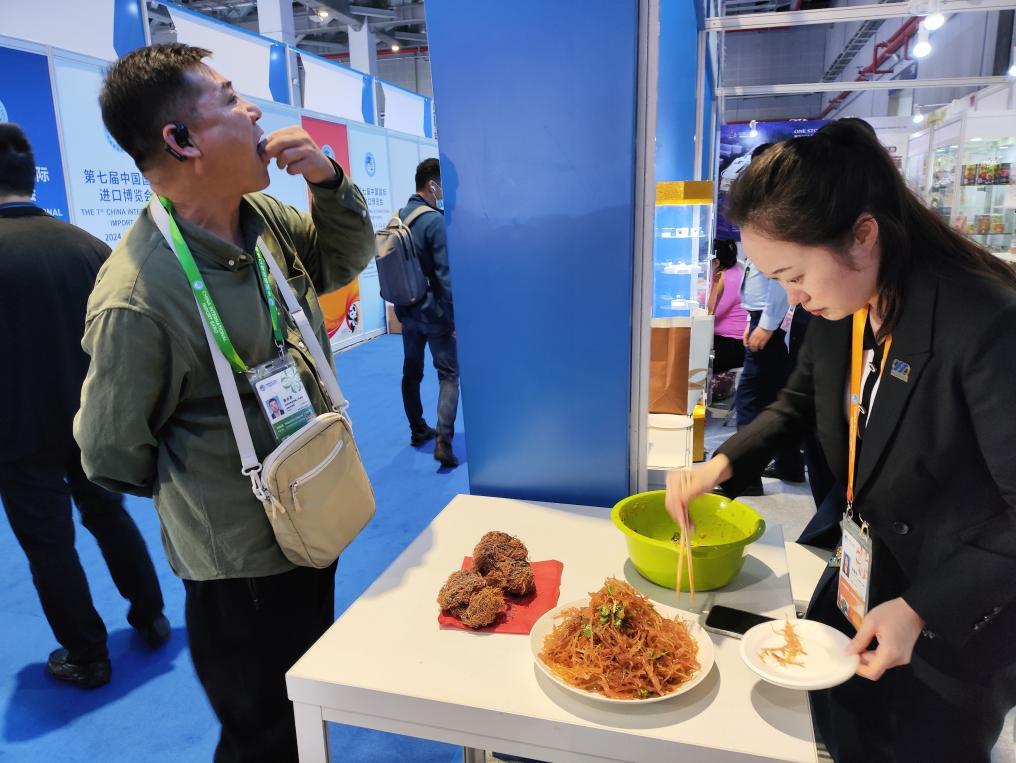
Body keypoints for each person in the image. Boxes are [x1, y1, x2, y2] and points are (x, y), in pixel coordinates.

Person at [666, 118, 1016, 762]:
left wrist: (922, 607)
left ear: (863, 234)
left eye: (795, 275)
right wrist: (719, 465)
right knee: (838, 732)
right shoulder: (842, 305)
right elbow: (800, 402)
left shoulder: (984, 324)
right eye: (777, 280)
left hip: (950, 623)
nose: (793, 298)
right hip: (860, 577)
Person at [74, 44, 374, 761]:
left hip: (314, 509)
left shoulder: (261, 217)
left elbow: (342, 259)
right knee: (260, 732)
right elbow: (109, 453)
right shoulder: (139, 297)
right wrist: (205, 485)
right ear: (181, 140)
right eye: (232, 98)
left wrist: (329, 183)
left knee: (302, 703)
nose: (255, 111)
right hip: (240, 561)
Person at [0, 123, 169, 690]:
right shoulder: (88, 246)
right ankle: (152, 615)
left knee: (49, 546)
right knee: (108, 515)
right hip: (90, 419)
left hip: (16, 434)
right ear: (31, 177)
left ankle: (87, 654)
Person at [734, 146, 805, 493]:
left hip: (769, 320)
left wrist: (766, 324)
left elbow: (778, 279)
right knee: (777, 392)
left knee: (751, 396)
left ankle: (745, 477)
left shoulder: (777, 217)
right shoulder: (771, 213)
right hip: (764, 317)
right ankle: (789, 465)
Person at [396, 158, 460, 468]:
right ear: (432, 184)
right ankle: (443, 443)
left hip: (407, 311)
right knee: (448, 374)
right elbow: (445, 277)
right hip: (434, 313)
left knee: (412, 372)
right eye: (446, 185)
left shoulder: (399, 217)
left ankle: (418, 429)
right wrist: (455, 318)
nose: (448, 192)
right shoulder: (435, 221)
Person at [707, 238, 747, 375]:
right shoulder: (733, 269)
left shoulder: (727, 279)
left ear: (716, 262)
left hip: (731, 343)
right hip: (731, 340)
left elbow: (711, 311)